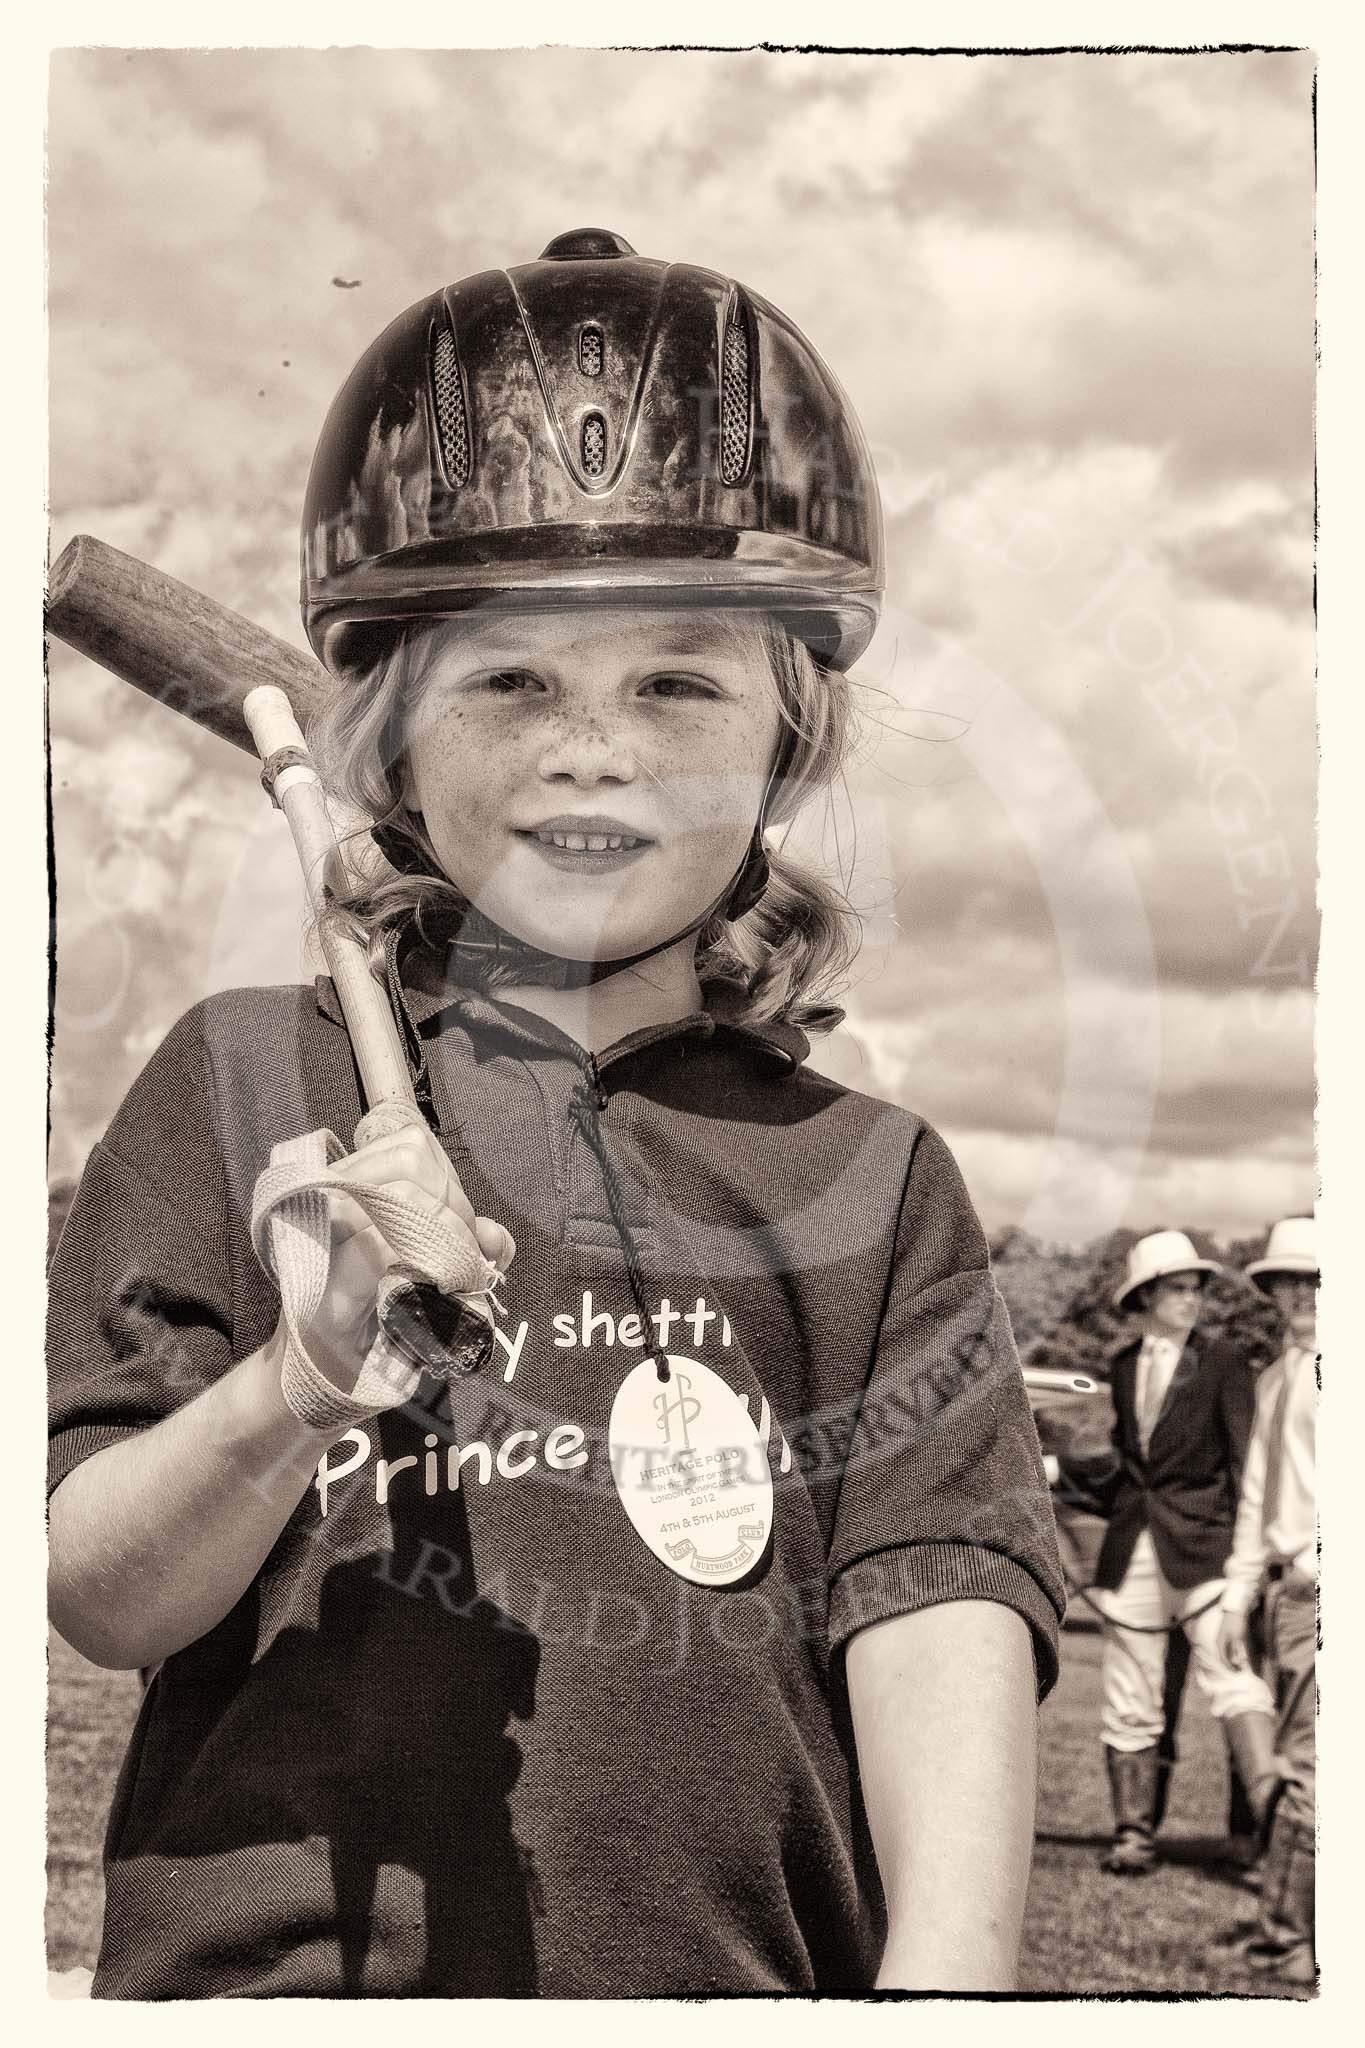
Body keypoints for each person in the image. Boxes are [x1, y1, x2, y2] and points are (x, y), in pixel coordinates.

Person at [47, 230, 1065, 1998]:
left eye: (677, 681)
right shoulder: (239, 1079)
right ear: (388, 744)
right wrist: (297, 1381)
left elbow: (939, 1620)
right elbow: (103, 1595)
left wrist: (948, 1995)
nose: (592, 747)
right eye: (509, 679)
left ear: (787, 741)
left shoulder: (871, 1178)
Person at [1060, 1229, 1275, 1875]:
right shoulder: (1122, 1365)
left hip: (1208, 1550)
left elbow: (1247, 1468)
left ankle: (1257, 1832)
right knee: (1131, 1689)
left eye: (1195, 1289)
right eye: (1177, 1289)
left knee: (1231, 1679)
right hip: (1135, 1550)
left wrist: (1249, 1566)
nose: (1191, 1299)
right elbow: (1127, 1466)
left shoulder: (1225, 1361)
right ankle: (1132, 1835)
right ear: (1146, 1297)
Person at [1218, 1216, 1318, 1987]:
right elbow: (1256, 1497)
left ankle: (1290, 1937)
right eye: (1288, 1282)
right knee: (1299, 1757)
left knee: (1309, 1763)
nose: (1300, 1296)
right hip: (1287, 1590)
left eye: (1315, 1279)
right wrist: (1236, 1594)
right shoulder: (1275, 1377)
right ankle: (1288, 1931)